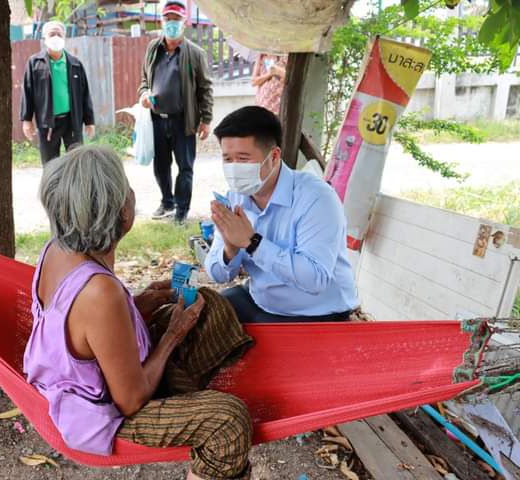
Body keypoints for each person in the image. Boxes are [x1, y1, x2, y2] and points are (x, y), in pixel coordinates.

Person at [24, 146, 254, 480]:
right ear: (121, 213)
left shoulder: (59, 247)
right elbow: (130, 401)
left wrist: (136, 304)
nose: (131, 194)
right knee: (228, 421)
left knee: (208, 305)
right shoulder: (100, 293)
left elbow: (83, 326)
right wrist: (172, 336)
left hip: (90, 373)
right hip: (102, 415)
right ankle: (196, 415)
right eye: (126, 189)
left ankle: (186, 398)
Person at [204, 106, 359, 323]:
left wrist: (252, 243)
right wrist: (229, 249)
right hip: (261, 300)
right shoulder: (235, 196)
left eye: (243, 158)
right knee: (203, 313)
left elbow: (315, 279)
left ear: (274, 156)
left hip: (315, 313)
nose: (234, 169)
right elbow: (218, 275)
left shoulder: (316, 198)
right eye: (228, 160)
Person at [138, 0, 213, 225]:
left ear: (185, 23)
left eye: (176, 20)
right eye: (168, 19)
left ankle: (182, 210)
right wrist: (144, 94)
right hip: (157, 119)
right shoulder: (153, 49)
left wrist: (206, 119)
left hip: (183, 120)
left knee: (185, 167)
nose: (171, 24)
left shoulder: (195, 54)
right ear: (161, 22)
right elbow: (144, 80)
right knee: (161, 166)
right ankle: (167, 201)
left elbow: (205, 88)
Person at [20, 21, 95, 164]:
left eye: (59, 34)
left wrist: (89, 121)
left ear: (64, 37)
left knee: (76, 163)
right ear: (45, 38)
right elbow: (27, 93)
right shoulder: (35, 63)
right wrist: (27, 120)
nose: (56, 37)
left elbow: (85, 95)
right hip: (47, 123)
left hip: (72, 121)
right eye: (52, 34)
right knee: (50, 165)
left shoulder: (75, 64)